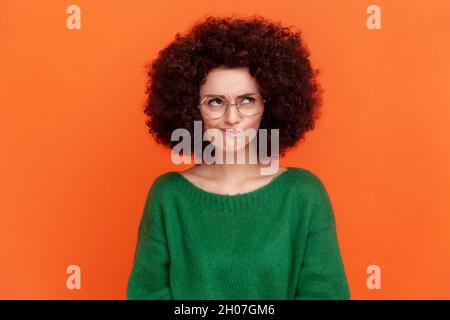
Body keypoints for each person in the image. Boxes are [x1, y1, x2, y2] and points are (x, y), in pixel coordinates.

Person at [126, 14, 350, 300]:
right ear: (191, 109)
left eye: (247, 100)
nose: (232, 118)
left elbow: (325, 294)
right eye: (215, 102)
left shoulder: (303, 195)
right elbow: (147, 293)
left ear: (270, 105)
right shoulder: (168, 196)